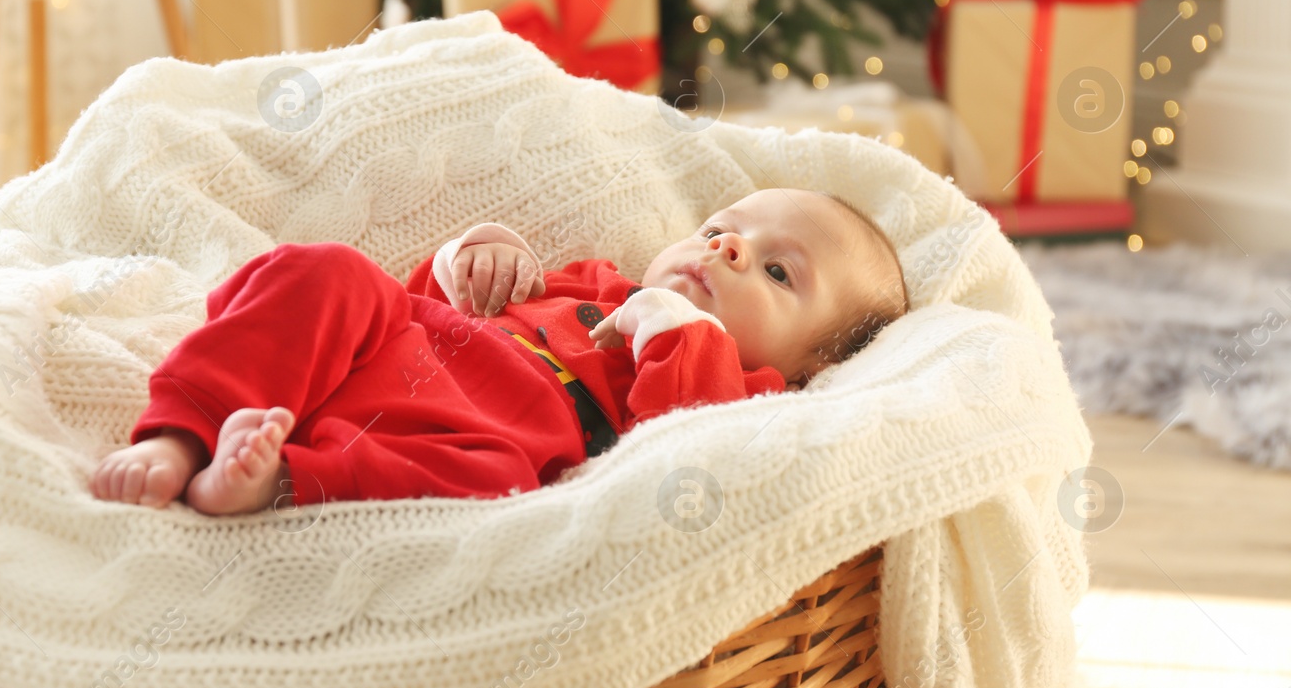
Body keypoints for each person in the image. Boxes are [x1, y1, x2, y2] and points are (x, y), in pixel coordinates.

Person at [89, 187, 909, 515]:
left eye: (775, 270)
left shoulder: (740, 385)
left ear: (806, 370)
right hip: (400, 343)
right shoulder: (596, 285)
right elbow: (452, 299)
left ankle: (278, 477)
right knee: (328, 272)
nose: (729, 249)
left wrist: (681, 331)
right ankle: (178, 433)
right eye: (718, 231)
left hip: (490, 433)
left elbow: (679, 442)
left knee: (500, 486)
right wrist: (477, 256)